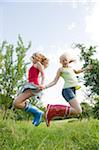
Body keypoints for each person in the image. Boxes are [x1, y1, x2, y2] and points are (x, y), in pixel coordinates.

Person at [42, 53, 92, 126]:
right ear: (60, 62)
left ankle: (51, 113)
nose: (64, 62)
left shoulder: (71, 68)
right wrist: (45, 86)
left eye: (65, 60)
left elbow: (77, 71)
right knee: (78, 110)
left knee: (76, 111)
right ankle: (52, 109)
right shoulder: (61, 69)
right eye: (62, 61)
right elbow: (54, 81)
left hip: (73, 90)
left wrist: (86, 68)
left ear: (68, 60)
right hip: (67, 90)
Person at [13, 52, 49, 126]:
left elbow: (43, 74)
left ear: (38, 58)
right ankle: (37, 113)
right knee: (17, 103)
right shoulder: (34, 65)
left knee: (16, 103)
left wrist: (42, 84)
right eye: (32, 57)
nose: (32, 58)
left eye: (34, 56)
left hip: (33, 86)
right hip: (29, 85)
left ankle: (38, 113)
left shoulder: (38, 64)